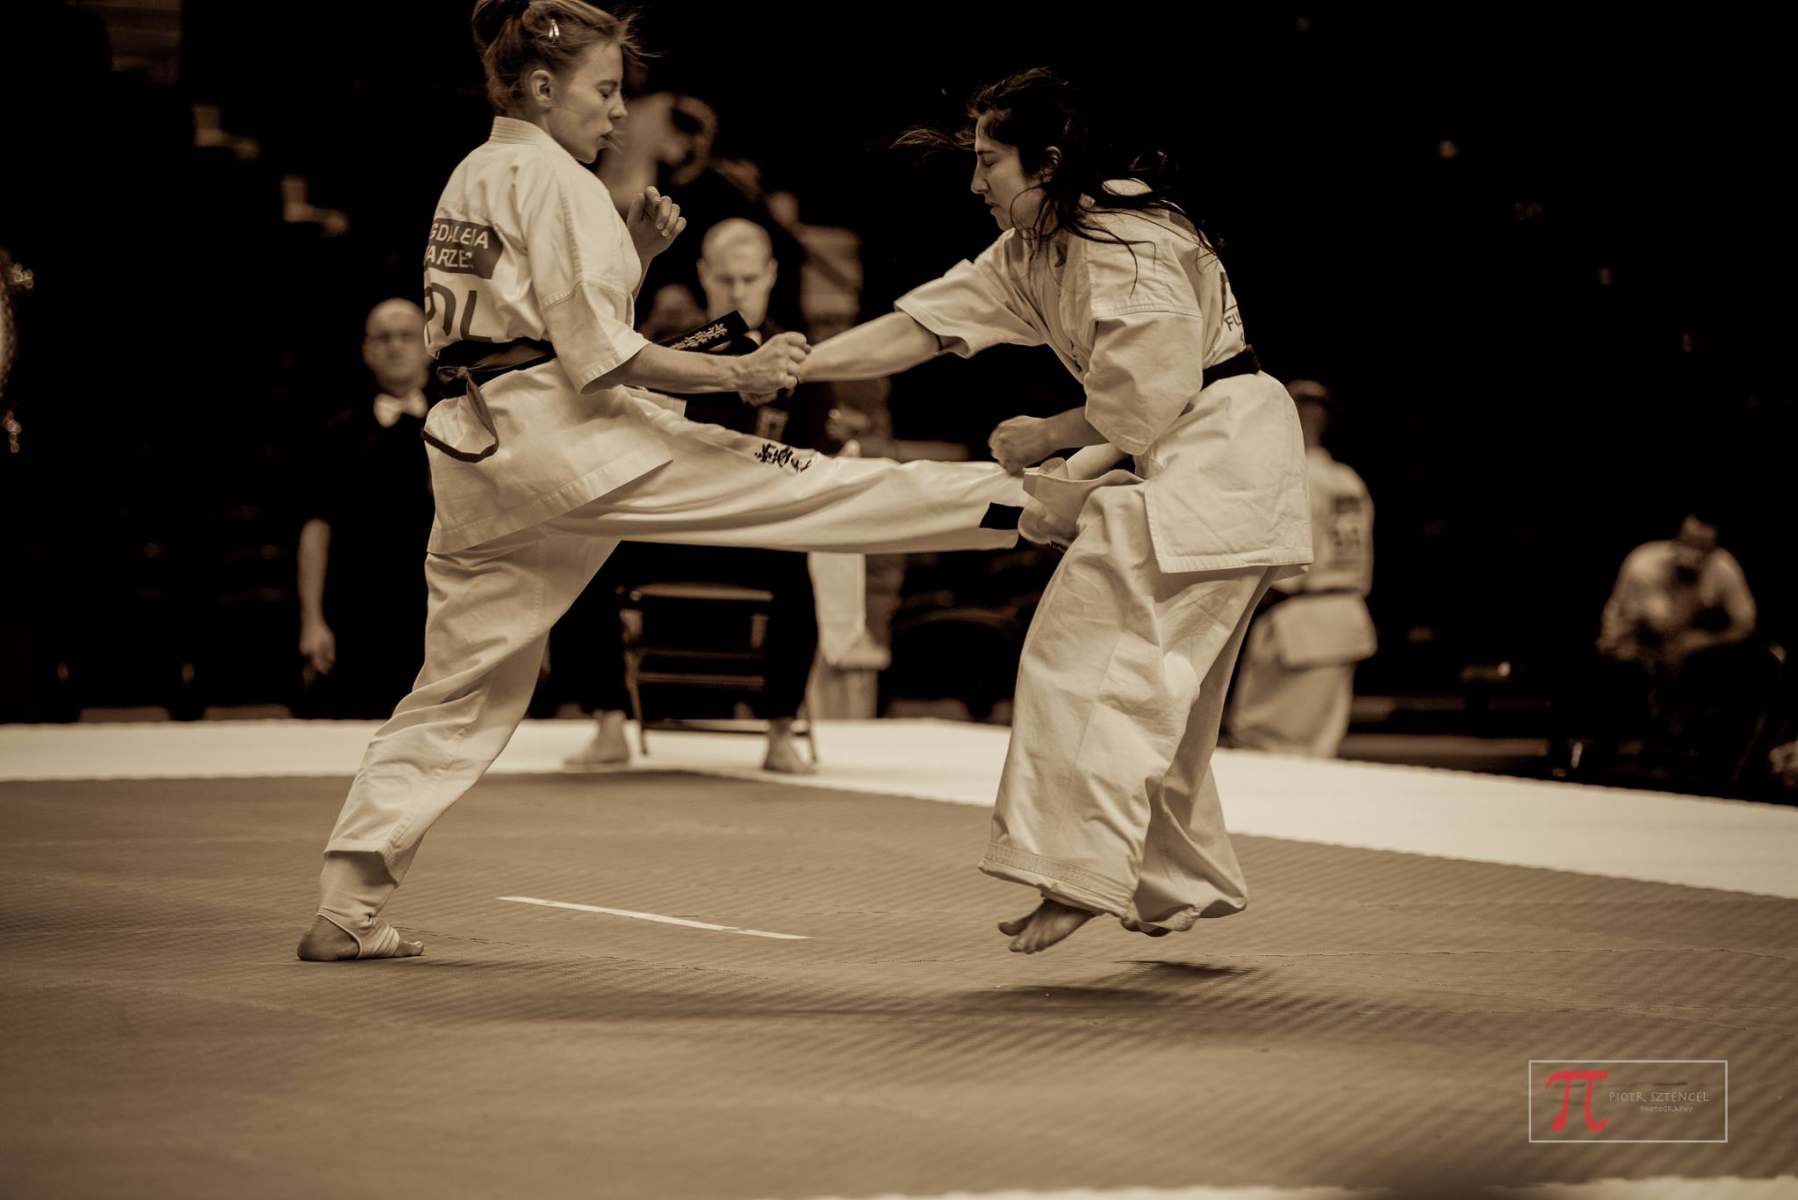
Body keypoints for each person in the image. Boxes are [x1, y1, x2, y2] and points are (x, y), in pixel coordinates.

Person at [297, 0, 1025, 962]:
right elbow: (599, 353)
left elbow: (547, 320)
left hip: (482, 454)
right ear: (543, 87)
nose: (617, 112)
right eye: (605, 90)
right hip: (571, 439)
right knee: (810, 488)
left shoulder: (473, 174)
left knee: (455, 689)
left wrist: (634, 253)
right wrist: (740, 373)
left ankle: (346, 906)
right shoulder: (557, 180)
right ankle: (1031, 504)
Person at [797, 68, 1311, 954]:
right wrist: (794, 366)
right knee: (1157, 689)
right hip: (1195, 470)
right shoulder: (1036, 246)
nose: (975, 182)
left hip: (1220, 462)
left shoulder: (1131, 240)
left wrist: (1048, 435)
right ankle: (1173, 881)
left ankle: (1080, 873)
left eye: (989, 161)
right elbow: (922, 326)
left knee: (1089, 658)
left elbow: (1150, 396)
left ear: (1047, 163)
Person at [559, 218, 826, 773]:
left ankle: (780, 731)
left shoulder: (802, 357)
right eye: (726, 279)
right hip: (673, 522)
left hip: (752, 529)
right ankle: (609, 722)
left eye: (749, 278)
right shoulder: (674, 353)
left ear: (772, 275)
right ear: (704, 275)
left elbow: (813, 457)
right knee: (579, 555)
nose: (738, 291)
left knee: (797, 569)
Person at [295, 299, 438, 718]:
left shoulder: (461, 424)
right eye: (383, 337)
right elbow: (316, 528)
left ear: (429, 346)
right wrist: (312, 620)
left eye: (406, 336)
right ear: (367, 351)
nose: (395, 346)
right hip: (357, 614)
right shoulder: (338, 431)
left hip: (438, 613)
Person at [1225, 380, 1376, 757]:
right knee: (1317, 748)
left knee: (1267, 743)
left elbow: (1285, 564)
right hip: (1344, 617)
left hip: (1300, 621)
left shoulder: (1295, 476)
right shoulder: (1347, 479)